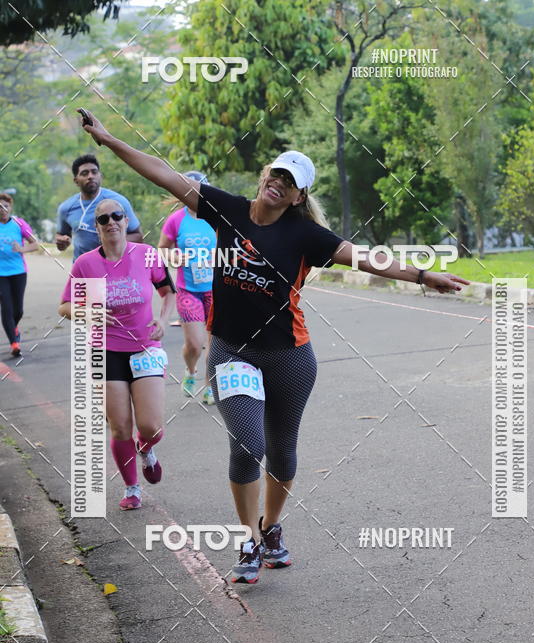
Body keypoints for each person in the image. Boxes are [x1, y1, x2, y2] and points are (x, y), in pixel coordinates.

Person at [78, 110, 468, 580]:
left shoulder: (305, 235)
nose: (279, 183)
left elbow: (366, 258)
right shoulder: (227, 209)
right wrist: (109, 140)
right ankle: (248, 540)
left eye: (291, 181)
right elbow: (163, 172)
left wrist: (424, 275)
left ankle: (271, 526)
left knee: (283, 451)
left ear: (300, 195)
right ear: (265, 176)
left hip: (290, 356)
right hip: (232, 350)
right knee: (249, 443)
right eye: (276, 173)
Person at [58, 198, 176, 510]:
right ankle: (132, 488)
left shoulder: (146, 254)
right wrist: (87, 311)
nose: (111, 222)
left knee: (150, 426)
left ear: (126, 221)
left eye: (117, 216)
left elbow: (167, 293)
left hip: (144, 346)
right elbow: (65, 306)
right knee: (120, 425)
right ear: (96, 228)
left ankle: (146, 448)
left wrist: (162, 321)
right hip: (105, 349)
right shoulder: (86, 264)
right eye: (103, 219)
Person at [158, 171, 216, 403]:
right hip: (188, 290)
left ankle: (210, 385)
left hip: (216, 290)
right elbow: (162, 248)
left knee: (214, 343)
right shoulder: (176, 220)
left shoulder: (217, 217)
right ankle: (190, 372)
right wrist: (174, 257)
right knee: (194, 344)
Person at [56, 154, 143, 261]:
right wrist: (62, 243)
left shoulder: (118, 202)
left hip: (114, 266)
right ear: (76, 181)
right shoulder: (66, 208)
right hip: (84, 270)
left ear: (100, 176)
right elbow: (61, 238)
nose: (90, 176)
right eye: (84, 173)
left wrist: (111, 241)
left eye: (94, 172)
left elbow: (138, 236)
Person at [0, 193, 38, 357]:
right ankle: (14, 342)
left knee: (18, 310)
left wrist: (21, 249)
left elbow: (35, 244)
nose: (2, 210)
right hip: (1, 274)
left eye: (5, 206)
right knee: (6, 308)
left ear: (10, 207)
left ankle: (13, 328)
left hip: (18, 272)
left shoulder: (18, 223)